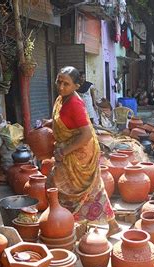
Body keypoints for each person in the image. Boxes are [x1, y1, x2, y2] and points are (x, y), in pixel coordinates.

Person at [43, 66, 121, 237]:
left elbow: (85, 134)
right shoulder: (61, 99)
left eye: (66, 84)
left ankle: (66, 227)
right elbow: (64, 120)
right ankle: (109, 224)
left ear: (77, 86)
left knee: (59, 188)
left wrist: (64, 150)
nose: (61, 87)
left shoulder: (75, 104)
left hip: (80, 153)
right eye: (59, 81)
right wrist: (49, 122)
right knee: (91, 189)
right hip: (70, 149)